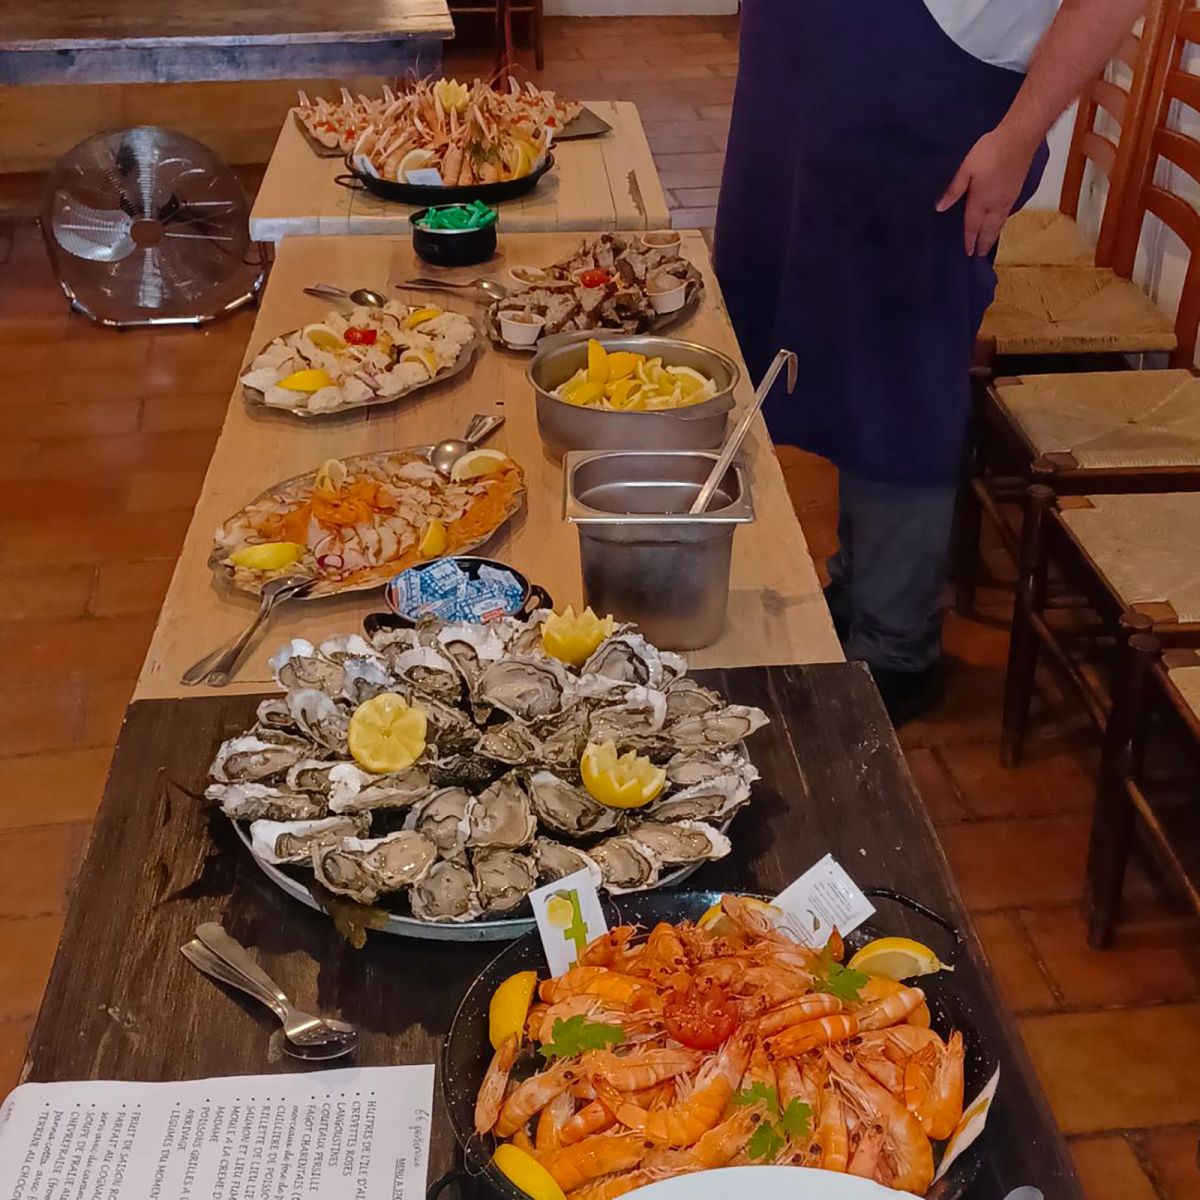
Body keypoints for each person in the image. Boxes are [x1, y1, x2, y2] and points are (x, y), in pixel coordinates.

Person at [715, 0, 1148, 725]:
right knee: (841, 346)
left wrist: (1018, 138)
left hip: (928, 92)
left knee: (902, 371)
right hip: (806, 82)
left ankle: (896, 641)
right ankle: (858, 585)